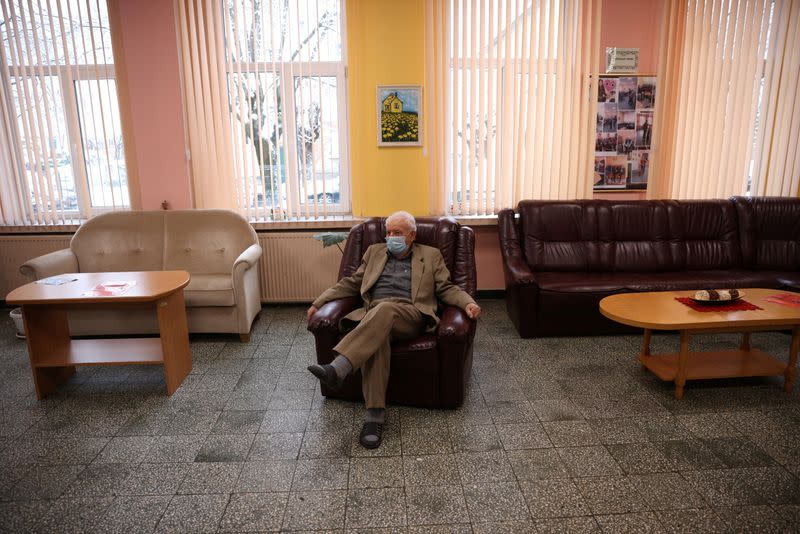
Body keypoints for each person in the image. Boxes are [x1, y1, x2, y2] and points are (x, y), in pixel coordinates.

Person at [305, 211, 481, 448]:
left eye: (397, 233)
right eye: (388, 233)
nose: (391, 237)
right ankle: (373, 419)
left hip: (410, 314)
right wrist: (319, 302)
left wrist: (467, 302)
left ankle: (339, 366)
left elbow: (446, 288)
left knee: (386, 310)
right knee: (379, 337)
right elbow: (351, 282)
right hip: (374, 317)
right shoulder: (374, 252)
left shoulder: (430, 255)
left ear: (412, 235)